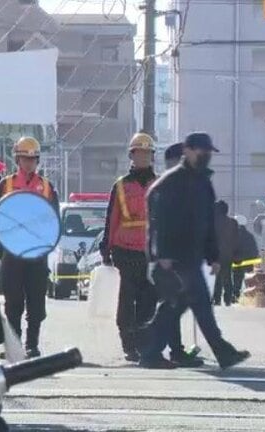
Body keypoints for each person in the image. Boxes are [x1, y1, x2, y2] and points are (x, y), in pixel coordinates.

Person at [143, 132, 250, 370]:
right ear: (188, 150)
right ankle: (222, 352)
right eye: (202, 150)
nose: (206, 155)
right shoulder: (169, 183)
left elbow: (207, 223)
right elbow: (159, 223)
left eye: (209, 151)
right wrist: (162, 254)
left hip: (190, 256)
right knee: (195, 304)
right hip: (172, 257)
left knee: (177, 305)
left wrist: (213, 256)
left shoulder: (203, 183)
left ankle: (149, 349)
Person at [0, 136, 59, 359]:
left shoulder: (47, 187)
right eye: (24, 159)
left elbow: (54, 221)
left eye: (33, 159)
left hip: (37, 255)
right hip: (12, 254)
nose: (29, 163)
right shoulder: (6, 185)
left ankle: (32, 345)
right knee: (13, 303)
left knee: (36, 303)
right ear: (17, 159)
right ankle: (14, 345)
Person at [99, 132, 158, 363]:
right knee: (127, 300)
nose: (142, 157)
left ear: (152, 156)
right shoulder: (121, 186)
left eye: (146, 153)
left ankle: (144, 343)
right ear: (131, 156)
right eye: (138, 153)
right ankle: (129, 344)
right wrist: (107, 248)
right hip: (125, 251)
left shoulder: (160, 184)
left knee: (149, 300)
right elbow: (112, 218)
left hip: (152, 252)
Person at [213, 200, 239, 306]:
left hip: (215, 255)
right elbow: (237, 240)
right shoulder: (233, 223)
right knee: (228, 276)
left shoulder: (212, 222)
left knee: (216, 277)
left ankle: (216, 298)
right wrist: (236, 254)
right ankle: (228, 299)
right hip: (228, 255)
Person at [232, 219, 259, 302]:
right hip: (249, 263)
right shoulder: (250, 236)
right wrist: (253, 261)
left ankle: (235, 296)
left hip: (237, 263)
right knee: (249, 281)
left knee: (237, 281)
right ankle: (250, 297)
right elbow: (255, 250)